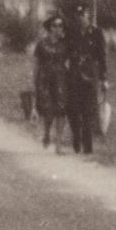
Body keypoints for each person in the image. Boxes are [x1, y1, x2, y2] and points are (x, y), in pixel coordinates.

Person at [64, 2, 107, 154]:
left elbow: (102, 57)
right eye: (78, 15)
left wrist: (104, 78)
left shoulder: (96, 32)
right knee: (73, 109)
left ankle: (88, 146)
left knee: (88, 111)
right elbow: (66, 53)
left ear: (88, 15)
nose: (80, 18)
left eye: (83, 15)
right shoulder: (71, 32)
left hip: (90, 76)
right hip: (74, 75)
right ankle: (76, 136)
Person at [33, 14, 71, 154]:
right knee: (48, 111)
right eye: (54, 25)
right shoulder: (42, 44)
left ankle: (59, 144)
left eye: (60, 25)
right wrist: (34, 81)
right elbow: (36, 64)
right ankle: (47, 133)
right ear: (49, 27)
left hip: (61, 80)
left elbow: (70, 61)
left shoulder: (65, 44)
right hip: (45, 80)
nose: (57, 28)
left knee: (61, 111)